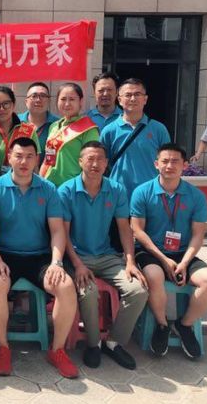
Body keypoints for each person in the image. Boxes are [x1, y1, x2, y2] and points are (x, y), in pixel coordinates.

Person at [0, 137, 79, 379]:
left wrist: (57, 262)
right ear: (9, 158)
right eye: (18, 156)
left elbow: (57, 231)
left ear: (37, 159)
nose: (24, 162)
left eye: (29, 157)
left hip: (39, 256)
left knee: (66, 286)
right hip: (5, 255)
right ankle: (3, 348)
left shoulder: (48, 189)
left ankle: (57, 350)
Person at [58, 141, 148, 371]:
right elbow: (62, 234)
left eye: (100, 159)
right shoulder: (66, 191)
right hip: (76, 256)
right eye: (90, 158)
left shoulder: (116, 190)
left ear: (107, 163)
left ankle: (113, 342)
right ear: (80, 161)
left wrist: (130, 261)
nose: (95, 164)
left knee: (138, 290)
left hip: (107, 256)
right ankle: (93, 344)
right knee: (88, 292)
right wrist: (77, 264)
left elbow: (124, 228)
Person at [131, 143, 207, 359]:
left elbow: (198, 234)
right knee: (154, 275)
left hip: (183, 254)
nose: (169, 165)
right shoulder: (142, 192)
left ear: (185, 165)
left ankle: (184, 324)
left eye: (175, 161)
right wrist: (163, 259)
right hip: (151, 252)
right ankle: (162, 325)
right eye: (165, 161)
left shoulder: (195, 196)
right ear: (156, 164)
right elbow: (137, 230)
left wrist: (184, 263)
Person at [100, 78, 171, 199]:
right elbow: (102, 163)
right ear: (119, 100)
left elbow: (168, 162)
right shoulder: (109, 131)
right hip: (117, 194)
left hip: (150, 195)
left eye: (137, 94)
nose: (133, 99)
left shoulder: (159, 129)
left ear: (145, 99)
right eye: (128, 95)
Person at [40, 83, 99, 187]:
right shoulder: (54, 126)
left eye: (72, 99)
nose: (67, 104)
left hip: (72, 188)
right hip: (49, 186)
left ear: (81, 102)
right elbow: (48, 157)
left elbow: (91, 162)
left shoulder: (89, 129)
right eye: (63, 99)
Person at [0, 86, 40, 176]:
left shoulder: (28, 132)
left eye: (6, 103)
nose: (2, 109)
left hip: (22, 182)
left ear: (13, 105)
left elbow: (34, 165)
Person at [18, 81, 60, 162]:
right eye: (34, 96)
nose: (38, 100)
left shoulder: (58, 124)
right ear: (26, 102)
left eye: (43, 96)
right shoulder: (16, 122)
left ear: (49, 101)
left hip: (49, 169)